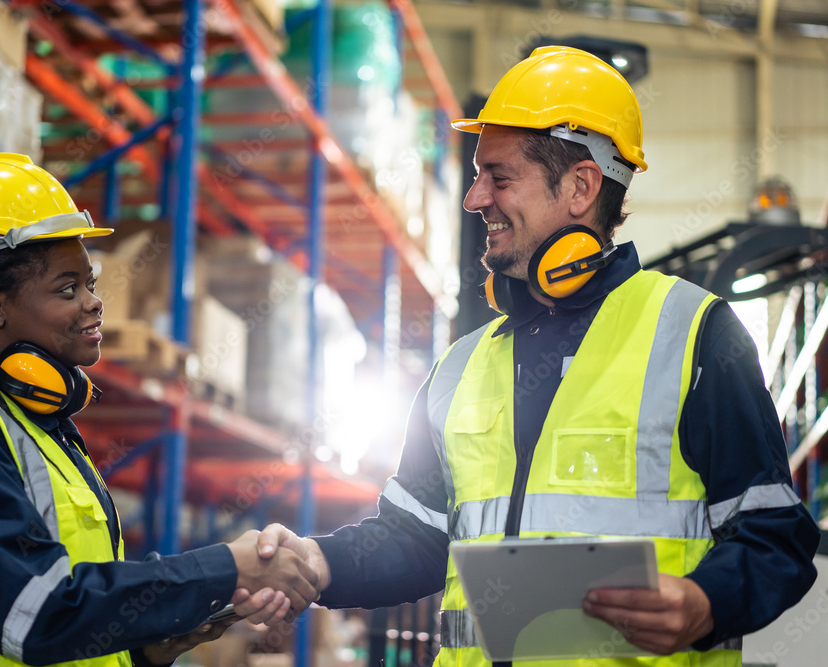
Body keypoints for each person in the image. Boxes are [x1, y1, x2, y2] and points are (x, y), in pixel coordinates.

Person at [248, 46, 820, 666]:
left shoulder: (695, 336)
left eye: (498, 177)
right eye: (476, 176)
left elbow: (776, 539)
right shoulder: (459, 367)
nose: (474, 199)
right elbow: (413, 539)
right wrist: (318, 561)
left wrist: (707, 602)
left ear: (580, 187)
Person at [0, 153, 319, 667]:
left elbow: (71, 626)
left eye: (91, 283)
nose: (94, 302)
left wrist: (147, 646)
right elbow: (37, 615)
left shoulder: (46, 435)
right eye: (67, 289)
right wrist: (224, 568)